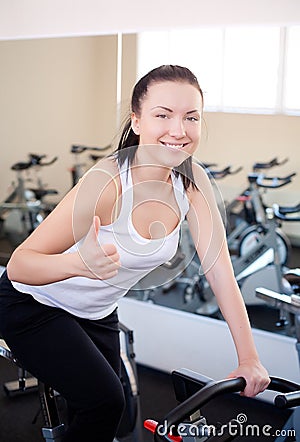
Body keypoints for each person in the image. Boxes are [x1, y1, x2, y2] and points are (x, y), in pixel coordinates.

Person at [0, 65, 270, 442]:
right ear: (137, 120)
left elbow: (219, 268)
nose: (179, 130)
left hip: (95, 313)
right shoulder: (108, 184)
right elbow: (19, 266)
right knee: (104, 403)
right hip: (35, 306)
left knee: (121, 417)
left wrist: (249, 357)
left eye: (191, 117)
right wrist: (74, 263)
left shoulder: (192, 182)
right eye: (163, 115)